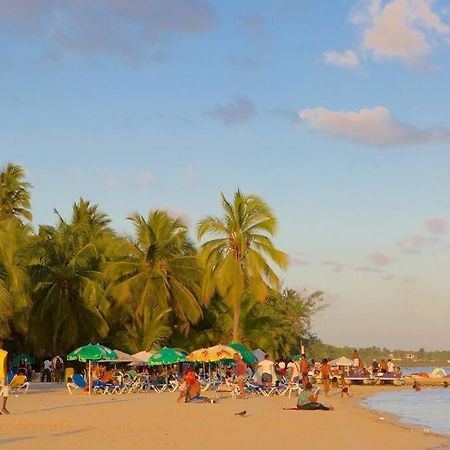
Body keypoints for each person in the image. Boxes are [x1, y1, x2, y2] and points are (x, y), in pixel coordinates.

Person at [0, 340, 10, 415]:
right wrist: (6, 378)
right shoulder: (4, 353)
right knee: (5, 390)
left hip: (2, 375)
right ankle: (3, 407)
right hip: (2, 375)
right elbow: (4, 365)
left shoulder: (4, 353)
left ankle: (3, 408)